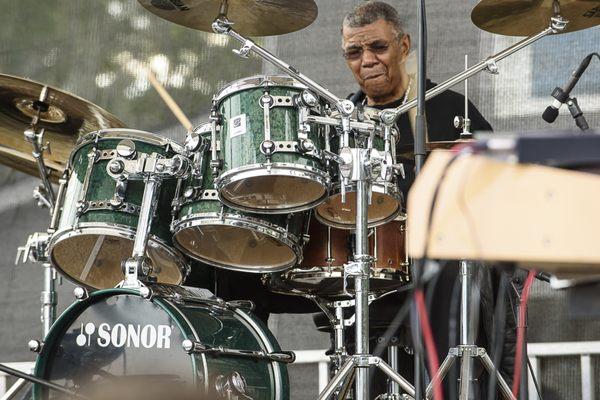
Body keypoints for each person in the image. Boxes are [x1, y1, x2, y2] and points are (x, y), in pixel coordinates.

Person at [313, 1, 519, 398]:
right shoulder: (341, 123)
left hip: (443, 270)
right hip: (365, 271)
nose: (367, 61)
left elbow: (495, 190)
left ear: (404, 45)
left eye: (378, 47)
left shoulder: (449, 110)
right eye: (354, 53)